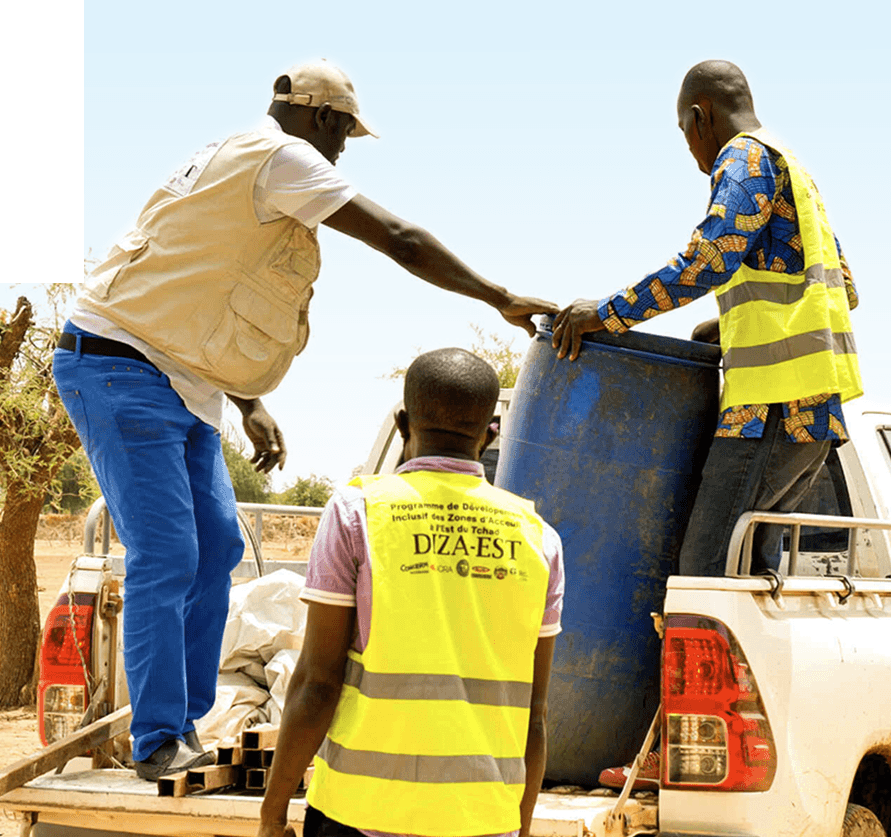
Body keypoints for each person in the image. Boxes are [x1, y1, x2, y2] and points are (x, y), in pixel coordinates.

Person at [55, 60, 556, 780]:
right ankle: (159, 737)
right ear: (324, 119)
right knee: (167, 554)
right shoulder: (282, 156)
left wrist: (248, 401)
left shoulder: (235, 154)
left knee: (219, 546)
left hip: (174, 375)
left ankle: (186, 723)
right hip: (118, 365)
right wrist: (496, 296)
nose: (344, 150)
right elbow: (400, 238)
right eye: (346, 134)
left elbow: (197, 280)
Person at [549, 60, 863, 788]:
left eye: (685, 135)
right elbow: (843, 285)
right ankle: (734, 744)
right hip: (813, 413)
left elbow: (714, 254)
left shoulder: (742, 160)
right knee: (748, 585)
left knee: (700, 582)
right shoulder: (797, 171)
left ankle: (675, 750)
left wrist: (608, 311)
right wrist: (728, 327)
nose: (692, 155)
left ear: (701, 117)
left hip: (767, 410)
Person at [251, 349, 564, 837]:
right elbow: (534, 717)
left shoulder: (358, 512)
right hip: (481, 830)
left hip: (364, 820)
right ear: (490, 434)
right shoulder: (538, 537)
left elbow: (317, 684)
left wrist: (272, 817)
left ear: (403, 423)